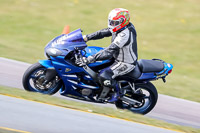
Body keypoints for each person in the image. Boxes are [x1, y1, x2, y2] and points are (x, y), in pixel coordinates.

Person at [78, 8, 138, 102]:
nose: (112, 25)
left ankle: (117, 94)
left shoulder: (124, 34)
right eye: (111, 22)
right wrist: (86, 37)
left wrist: (89, 59)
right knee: (94, 64)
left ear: (123, 21)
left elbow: (109, 51)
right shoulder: (121, 27)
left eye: (114, 22)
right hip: (116, 56)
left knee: (104, 75)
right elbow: (104, 32)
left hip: (125, 62)